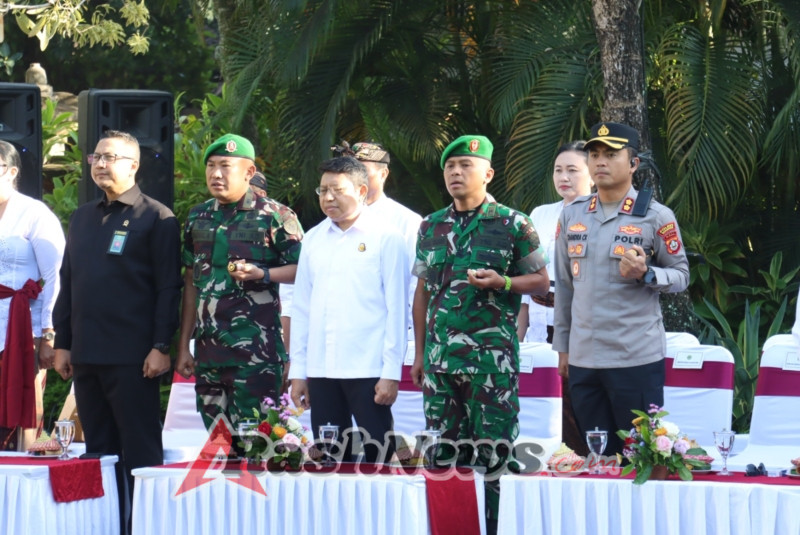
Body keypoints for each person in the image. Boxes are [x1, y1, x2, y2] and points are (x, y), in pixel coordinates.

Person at [410, 135, 549, 533]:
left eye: (465, 166)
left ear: (487, 173)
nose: (456, 172)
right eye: (450, 166)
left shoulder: (513, 223)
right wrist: (420, 354)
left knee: (494, 458)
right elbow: (421, 293)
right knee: (443, 458)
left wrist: (503, 283)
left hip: (491, 364)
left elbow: (541, 281)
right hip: (440, 364)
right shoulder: (430, 226)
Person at [53, 130, 182, 534]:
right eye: (97, 157)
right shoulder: (82, 216)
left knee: (140, 450)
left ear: (134, 165)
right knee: (97, 452)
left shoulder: (156, 217)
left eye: (112, 157)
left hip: (133, 357)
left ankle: (145, 525)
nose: (102, 164)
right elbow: (69, 281)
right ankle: (103, 524)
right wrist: (63, 343)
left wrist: (161, 346)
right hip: (87, 354)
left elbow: (168, 288)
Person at [552, 122, 690, 457]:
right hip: (584, 358)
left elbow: (682, 275)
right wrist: (563, 347)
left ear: (633, 164)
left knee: (639, 459)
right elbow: (565, 288)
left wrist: (647, 274)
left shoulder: (656, 216)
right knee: (597, 457)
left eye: (611, 155)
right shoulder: (572, 215)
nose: (600, 161)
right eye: (595, 154)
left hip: (634, 358)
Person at [176, 134, 303, 437]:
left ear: (248, 172)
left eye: (225, 166)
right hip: (209, 353)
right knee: (220, 449)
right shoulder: (198, 216)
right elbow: (191, 284)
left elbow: (304, 270)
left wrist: (263, 273)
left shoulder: (276, 215)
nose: (216, 174)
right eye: (211, 166)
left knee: (259, 446)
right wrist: (183, 346)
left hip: (255, 354)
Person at [289, 156, 408, 463]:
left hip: (368, 370)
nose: (328, 198)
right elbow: (302, 309)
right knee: (329, 459)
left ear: (362, 191)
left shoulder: (386, 237)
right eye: (323, 190)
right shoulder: (313, 239)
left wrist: (391, 373)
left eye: (338, 190)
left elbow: (397, 310)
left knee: (378, 457)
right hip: (322, 370)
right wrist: (299, 373)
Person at [515, 140, 593, 457]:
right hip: (538, 322)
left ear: (592, 173)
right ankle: (550, 463)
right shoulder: (540, 214)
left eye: (573, 170)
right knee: (542, 404)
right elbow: (527, 279)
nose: (564, 177)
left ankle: (586, 463)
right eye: (558, 170)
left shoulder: (603, 215)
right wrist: (516, 340)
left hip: (581, 328)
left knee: (578, 405)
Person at [0, 140, 65, 451]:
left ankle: (20, 480)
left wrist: (48, 332)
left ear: (11, 171)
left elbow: (55, 276)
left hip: (22, 325)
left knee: (19, 416)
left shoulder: (34, 212)